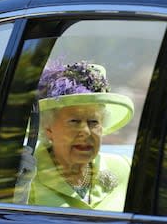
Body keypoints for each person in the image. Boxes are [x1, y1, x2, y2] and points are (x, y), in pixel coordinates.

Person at [18, 61, 135, 211]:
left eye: (93, 122)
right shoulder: (25, 176)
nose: (86, 132)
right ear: (48, 128)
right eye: (74, 121)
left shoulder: (124, 168)